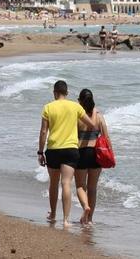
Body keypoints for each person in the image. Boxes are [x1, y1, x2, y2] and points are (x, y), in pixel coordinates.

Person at [38, 80, 96, 228]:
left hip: (53, 149)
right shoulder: (75, 106)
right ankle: (66, 220)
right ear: (67, 93)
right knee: (66, 183)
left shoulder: (48, 107)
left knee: (53, 183)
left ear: (54, 93)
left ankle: (52, 214)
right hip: (71, 149)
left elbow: (44, 131)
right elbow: (91, 125)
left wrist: (40, 151)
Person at [74, 88, 111, 226]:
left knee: (80, 186)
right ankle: (89, 219)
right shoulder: (100, 117)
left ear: (80, 101)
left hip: (81, 153)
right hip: (96, 154)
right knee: (93, 188)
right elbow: (106, 137)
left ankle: (85, 207)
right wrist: (111, 154)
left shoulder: (78, 116)